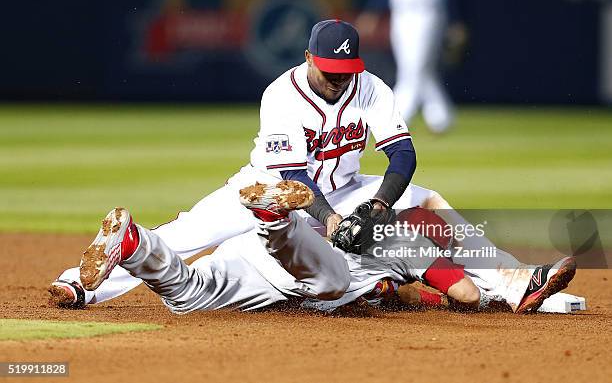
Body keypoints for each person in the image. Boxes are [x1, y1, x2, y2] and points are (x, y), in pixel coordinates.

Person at [47, 20, 533, 312]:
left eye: (348, 73)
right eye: (330, 72)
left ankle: (514, 283)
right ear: (307, 58)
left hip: (345, 186)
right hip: (269, 189)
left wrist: (381, 203)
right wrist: (331, 221)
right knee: (188, 234)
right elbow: (296, 178)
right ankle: (80, 282)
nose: (340, 83)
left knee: (426, 201)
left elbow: (402, 154)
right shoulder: (281, 94)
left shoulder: (372, 88)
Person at [54, 181, 576, 315]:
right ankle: (277, 220)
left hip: (254, 259)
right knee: (329, 280)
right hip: (307, 271)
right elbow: (460, 292)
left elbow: (401, 294)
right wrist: (471, 290)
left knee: (188, 292)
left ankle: (137, 242)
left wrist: (405, 287)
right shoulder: (408, 238)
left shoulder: (389, 232)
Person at [357, 0, 463, 133]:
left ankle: (395, 118)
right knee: (420, 69)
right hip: (400, 13)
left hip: (427, 12)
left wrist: (454, 21)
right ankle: (440, 117)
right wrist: (371, 12)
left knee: (413, 68)